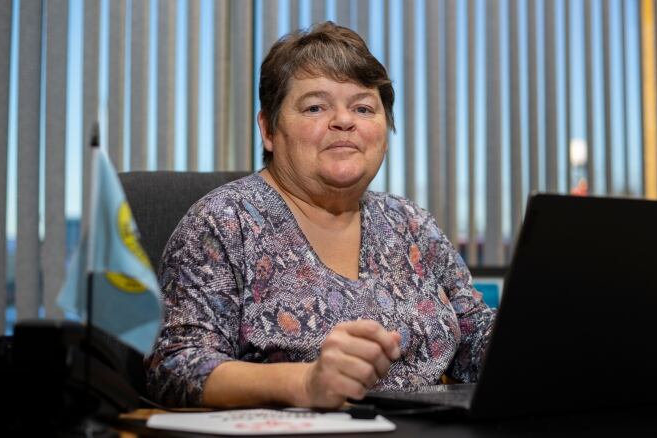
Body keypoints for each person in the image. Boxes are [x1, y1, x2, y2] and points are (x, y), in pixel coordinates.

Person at [145, 22, 495, 409]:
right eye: (315, 107)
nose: (344, 121)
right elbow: (175, 366)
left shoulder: (410, 222)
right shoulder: (224, 221)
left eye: (363, 108)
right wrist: (304, 382)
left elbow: (472, 335)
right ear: (269, 130)